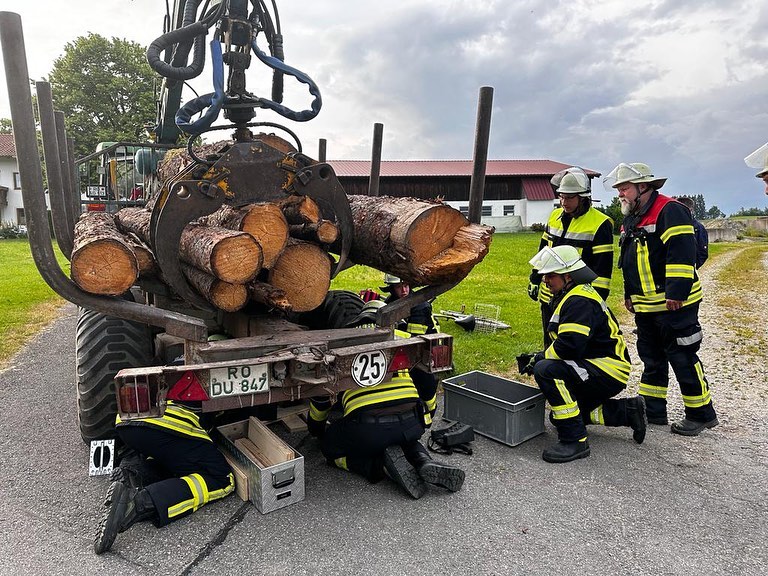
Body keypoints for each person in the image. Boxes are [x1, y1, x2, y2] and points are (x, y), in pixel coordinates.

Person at [306, 300, 465, 499]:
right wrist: (427, 418)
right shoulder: (403, 339)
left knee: (329, 450)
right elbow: (427, 381)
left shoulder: (339, 349)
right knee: (405, 439)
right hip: (411, 422)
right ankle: (422, 460)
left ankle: (379, 465)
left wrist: (317, 429)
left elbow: (321, 398)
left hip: (368, 429)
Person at [604, 162, 718, 436]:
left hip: (674, 305)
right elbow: (628, 262)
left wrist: (677, 292)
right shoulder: (631, 218)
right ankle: (653, 411)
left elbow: (681, 254)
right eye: (619, 188)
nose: (620, 194)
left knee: (682, 356)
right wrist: (629, 294)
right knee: (651, 358)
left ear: (643, 187)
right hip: (646, 305)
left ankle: (701, 414)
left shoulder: (670, 210)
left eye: (625, 188)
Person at [524, 245, 646, 463]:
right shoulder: (575, 294)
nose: (545, 280)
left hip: (607, 369)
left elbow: (569, 346)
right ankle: (627, 411)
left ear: (568, 275)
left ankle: (575, 441)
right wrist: (540, 355)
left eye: (550, 275)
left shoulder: (579, 300)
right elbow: (570, 344)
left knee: (546, 371)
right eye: (544, 276)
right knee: (559, 415)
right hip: (600, 366)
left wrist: (541, 358)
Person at [94, 375, 235, 554]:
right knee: (223, 480)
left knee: (172, 462)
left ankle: (132, 475)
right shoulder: (220, 372)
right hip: (171, 423)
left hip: (128, 421)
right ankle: (137, 503)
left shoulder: (177, 362)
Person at [528, 166, 614, 347]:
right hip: (549, 296)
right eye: (561, 196)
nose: (563, 202)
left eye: (569, 197)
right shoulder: (554, 216)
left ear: (583, 198)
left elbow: (602, 270)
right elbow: (544, 252)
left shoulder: (600, 223)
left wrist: (594, 302)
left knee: (571, 347)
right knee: (550, 344)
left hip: (576, 301)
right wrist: (535, 278)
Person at [677, 196, 708, 268]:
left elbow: (703, 251)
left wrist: (693, 266)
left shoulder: (698, 228)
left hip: (690, 271)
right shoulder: (669, 225)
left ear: (690, 210)